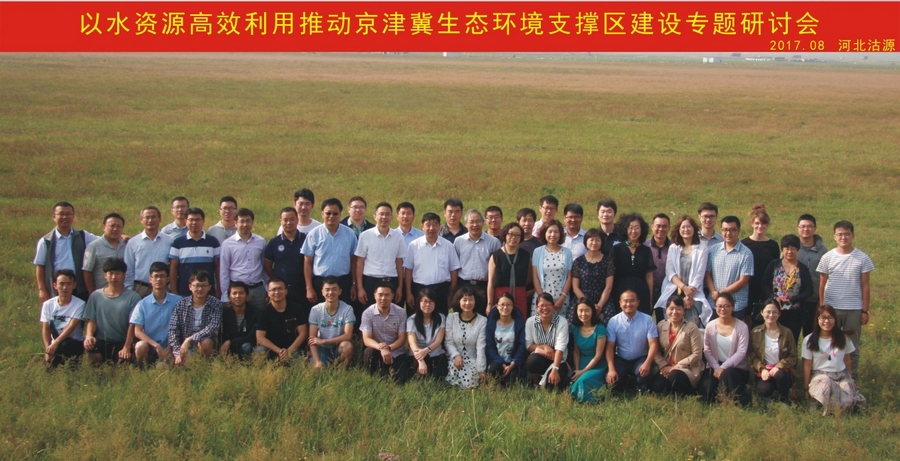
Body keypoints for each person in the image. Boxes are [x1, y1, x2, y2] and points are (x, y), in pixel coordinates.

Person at [816, 220, 874, 380]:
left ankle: (850, 379)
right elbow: (822, 284)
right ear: (834, 236)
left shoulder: (862, 258)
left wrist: (865, 310)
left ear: (852, 235)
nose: (843, 237)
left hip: (853, 309)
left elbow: (865, 285)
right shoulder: (827, 257)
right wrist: (822, 307)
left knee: (852, 346)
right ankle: (827, 375)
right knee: (828, 343)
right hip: (831, 308)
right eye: (840, 234)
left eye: (847, 234)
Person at [802, 304, 865, 416]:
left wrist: (851, 380)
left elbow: (847, 360)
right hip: (820, 375)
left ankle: (832, 407)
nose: (827, 321)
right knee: (825, 382)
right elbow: (807, 365)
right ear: (817, 320)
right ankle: (816, 402)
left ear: (835, 320)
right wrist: (806, 387)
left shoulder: (843, 338)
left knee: (847, 402)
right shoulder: (809, 340)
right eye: (823, 318)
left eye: (830, 318)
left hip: (841, 375)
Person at [82, 258, 143, 364]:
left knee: (123, 364)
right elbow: (92, 320)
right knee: (91, 354)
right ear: (105, 275)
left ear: (124, 275)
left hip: (122, 342)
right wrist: (89, 336)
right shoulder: (96, 296)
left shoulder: (133, 297)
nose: (114, 277)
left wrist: (127, 347)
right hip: (102, 341)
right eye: (111, 273)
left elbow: (132, 325)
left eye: (117, 273)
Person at [35, 201, 98, 301]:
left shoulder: (82, 236)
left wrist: (120, 237)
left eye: (68, 214)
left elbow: (103, 241)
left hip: (79, 288)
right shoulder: (46, 241)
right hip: (58, 288)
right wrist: (42, 289)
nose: (65, 217)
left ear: (73, 217)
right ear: (54, 217)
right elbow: (40, 266)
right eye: (61, 214)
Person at [302, 198, 358, 305]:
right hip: (320, 283)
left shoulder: (349, 233)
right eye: (328, 213)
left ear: (340, 214)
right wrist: (309, 288)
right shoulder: (314, 234)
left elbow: (354, 260)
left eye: (335, 213)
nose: (331, 216)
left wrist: (354, 284)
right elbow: (307, 262)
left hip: (343, 282)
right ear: (322, 214)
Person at [654, 216, 708, 327]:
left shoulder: (702, 248)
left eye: (689, 226)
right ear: (678, 230)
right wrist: (684, 288)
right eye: (683, 227)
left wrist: (689, 295)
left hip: (694, 292)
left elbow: (700, 274)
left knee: (692, 325)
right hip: (674, 290)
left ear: (694, 229)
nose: (686, 229)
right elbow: (670, 271)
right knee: (673, 323)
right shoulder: (673, 247)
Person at [699, 293, 751, 405]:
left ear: (733, 307)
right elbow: (707, 350)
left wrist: (723, 367)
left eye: (727, 306)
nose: (723, 309)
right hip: (715, 366)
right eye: (719, 306)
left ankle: (740, 401)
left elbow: (741, 352)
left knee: (728, 375)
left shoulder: (742, 327)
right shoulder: (710, 325)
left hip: (735, 368)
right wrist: (716, 367)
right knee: (707, 394)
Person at [404, 213, 460, 316]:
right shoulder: (414, 245)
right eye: (428, 225)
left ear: (439, 226)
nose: (431, 228)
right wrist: (408, 293)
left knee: (441, 319)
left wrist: (452, 293)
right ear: (422, 226)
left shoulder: (447, 245)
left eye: (435, 224)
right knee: (418, 319)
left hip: (441, 290)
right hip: (419, 289)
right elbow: (408, 270)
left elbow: (454, 270)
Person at [604, 290, 659, 393]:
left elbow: (653, 344)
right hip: (621, 358)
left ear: (638, 302)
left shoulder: (647, 319)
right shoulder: (613, 321)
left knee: (644, 378)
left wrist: (647, 363)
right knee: (612, 382)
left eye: (632, 301)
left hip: (641, 358)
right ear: (620, 303)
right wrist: (611, 369)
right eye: (625, 301)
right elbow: (610, 347)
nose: (628, 304)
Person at [761, 235, 814, 340]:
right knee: (773, 338)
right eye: (787, 248)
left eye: (793, 248)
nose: (790, 251)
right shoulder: (774, 265)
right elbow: (764, 284)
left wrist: (793, 299)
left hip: (794, 313)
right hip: (774, 310)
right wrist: (774, 297)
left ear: (798, 250)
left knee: (791, 340)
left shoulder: (802, 269)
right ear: (782, 249)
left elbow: (809, 290)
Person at [355, 202, 406, 308]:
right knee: (370, 312)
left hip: (392, 280)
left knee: (393, 313)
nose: (384, 217)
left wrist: (400, 287)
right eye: (381, 214)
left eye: (387, 214)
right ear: (375, 216)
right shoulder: (365, 235)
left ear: (392, 216)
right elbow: (359, 263)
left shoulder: (398, 236)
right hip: (371, 281)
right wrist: (360, 288)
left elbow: (399, 263)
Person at [650, 296, 704, 396]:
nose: (674, 312)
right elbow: (655, 350)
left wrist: (676, 366)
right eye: (671, 309)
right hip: (666, 366)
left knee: (675, 376)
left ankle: (688, 395)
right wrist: (664, 365)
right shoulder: (661, 325)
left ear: (684, 310)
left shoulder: (692, 328)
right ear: (666, 310)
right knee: (657, 386)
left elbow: (697, 354)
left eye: (678, 309)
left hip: (686, 368)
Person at [168, 270, 222, 366]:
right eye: (197, 285)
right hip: (184, 345)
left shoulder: (216, 304)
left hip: (202, 344)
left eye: (203, 285)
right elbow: (173, 329)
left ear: (209, 287)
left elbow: (213, 327)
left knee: (206, 342)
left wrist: (190, 339)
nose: (200, 289)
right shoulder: (181, 304)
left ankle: (205, 366)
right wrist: (177, 353)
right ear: (190, 287)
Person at [749, 299, 798, 405]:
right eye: (768, 312)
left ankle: (784, 399)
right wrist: (762, 369)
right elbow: (752, 355)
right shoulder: (755, 332)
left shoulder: (787, 332)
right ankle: (768, 397)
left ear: (779, 314)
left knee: (781, 376)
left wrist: (778, 367)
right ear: (762, 313)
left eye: (775, 312)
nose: (771, 315)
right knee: (764, 390)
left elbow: (793, 356)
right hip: (764, 371)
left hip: (782, 371)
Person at [705, 216, 754, 321]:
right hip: (714, 303)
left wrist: (721, 293)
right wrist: (714, 292)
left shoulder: (746, 253)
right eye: (725, 230)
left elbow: (743, 281)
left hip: (736, 304)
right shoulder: (714, 250)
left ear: (739, 231)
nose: (728, 233)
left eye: (732, 230)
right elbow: (707, 274)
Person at [131, 262, 179, 365]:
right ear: (150, 279)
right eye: (156, 276)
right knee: (140, 346)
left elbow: (184, 327)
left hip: (172, 347)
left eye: (162, 276)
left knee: (163, 368)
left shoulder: (178, 301)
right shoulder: (142, 304)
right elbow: (137, 331)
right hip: (151, 347)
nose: (159, 279)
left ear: (168, 279)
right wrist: (156, 345)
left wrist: (171, 346)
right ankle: (143, 370)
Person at [360, 282, 410, 382]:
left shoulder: (401, 312)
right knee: (368, 353)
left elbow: (402, 339)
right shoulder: (367, 313)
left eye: (387, 295)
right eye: (380, 295)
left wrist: (389, 348)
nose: (383, 298)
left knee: (400, 380)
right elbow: (366, 339)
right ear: (375, 295)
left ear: (392, 296)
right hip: (376, 350)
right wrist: (381, 348)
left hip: (396, 351)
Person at [454, 209, 501, 316]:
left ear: (483, 222)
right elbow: (454, 266)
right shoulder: (459, 241)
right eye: (471, 222)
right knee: (462, 317)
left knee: (482, 318)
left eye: (478, 221)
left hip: (484, 286)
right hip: (463, 284)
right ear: (466, 224)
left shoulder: (493, 242)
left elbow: (497, 268)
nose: (475, 225)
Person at [264, 207, 308, 320]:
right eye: (285, 220)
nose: (289, 223)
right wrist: (276, 279)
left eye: (292, 219)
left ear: (297, 220)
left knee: (303, 318)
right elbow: (267, 265)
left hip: (303, 289)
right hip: (282, 291)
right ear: (280, 221)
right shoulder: (274, 242)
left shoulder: (306, 239)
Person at [220, 208, 267, 311]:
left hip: (257, 289)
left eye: (248, 221)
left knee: (259, 317)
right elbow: (224, 271)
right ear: (235, 223)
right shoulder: (227, 244)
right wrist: (224, 294)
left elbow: (264, 266)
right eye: (242, 221)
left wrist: (267, 287)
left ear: (252, 222)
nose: (245, 224)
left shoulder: (261, 241)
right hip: (237, 291)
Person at [611, 213, 656, 317]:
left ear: (642, 230)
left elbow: (649, 276)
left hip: (641, 291)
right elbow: (611, 274)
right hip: (620, 290)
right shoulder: (616, 249)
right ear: (625, 229)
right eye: (630, 228)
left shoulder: (646, 250)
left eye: (637, 228)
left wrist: (650, 298)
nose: (633, 231)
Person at [169, 207, 220, 297]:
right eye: (191, 220)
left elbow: (218, 267)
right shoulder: (178, 243)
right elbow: (173, 268)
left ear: (203, 221)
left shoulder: (213, 242)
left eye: (197, 220)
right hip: (184, 292)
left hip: (208, 293)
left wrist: (219, 289)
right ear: (185, 221)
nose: (194, 223)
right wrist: (174, 291)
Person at [741, 205, 781, 320]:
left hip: (766, 287)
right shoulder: (744, 244)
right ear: (752, 224)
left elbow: (776, 269)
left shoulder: (773, 245)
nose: (760, 226)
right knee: (747, 317)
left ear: (767, 225)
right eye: (757, 223)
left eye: (763, 223)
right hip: (747, 286)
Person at [124, 206, 174, 297]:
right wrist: (129, 289)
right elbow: (129, 268)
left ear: (160, 219)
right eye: (147, 217)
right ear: (141, 220)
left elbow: (173, 266)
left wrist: (170, 287)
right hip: (140, 288)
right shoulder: (133, 242)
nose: (150, 220)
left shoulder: (169, 241)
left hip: (163, 287)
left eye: (153, 217)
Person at [39, 269, 86, 367]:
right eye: (61, 284)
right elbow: (46, 329)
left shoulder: (80, 304)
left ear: (74, 285)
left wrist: (55, 343)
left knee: (65, 345)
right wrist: (48, 348)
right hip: (55, 344)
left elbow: (71, 327)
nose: (65, 287)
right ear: (55, 285)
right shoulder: (48, 305)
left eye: (68, 284)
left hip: (74, 343)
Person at [525, 293, 571, 391]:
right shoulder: (530, 322)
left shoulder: (562, 322)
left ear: (553, 306)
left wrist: (555, 369)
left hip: (558, 359)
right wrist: (545, 347)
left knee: (552, 387)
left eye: (548, 305)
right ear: (537, 308)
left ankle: (546, 385)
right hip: (540, 357)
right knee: (532, 361)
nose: (545, 308)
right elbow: (528, 346)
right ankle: (536, 383)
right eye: (542, 305)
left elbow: (560, 348)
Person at [444, 286, 488, 389]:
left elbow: (481, 347)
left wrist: (481, 369)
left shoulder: (482, 321)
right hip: (454, 359)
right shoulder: (451, 317)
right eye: (464, 300)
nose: (468, 303)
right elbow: (448, 341)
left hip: (473, 360)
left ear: (476, 301)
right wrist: (456, 355)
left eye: (471, 299)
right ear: (458, 301)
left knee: (471, 381)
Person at [256, 278, 308, 363]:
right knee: (259, 351)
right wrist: (279, 351)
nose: (277, 292)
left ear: (286, 291)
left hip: (293, 349)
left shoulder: (296, 308)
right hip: (273, 349)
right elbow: (260, 338)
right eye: (273, 290)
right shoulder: (264, 312)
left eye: (280, 289)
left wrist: (289, 351)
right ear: (268, 293)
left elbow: (303, 333)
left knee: (299, 362)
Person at [308, 276, 355, 368]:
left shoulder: (347, 309)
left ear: (340, 291)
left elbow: (348, 335)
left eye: (334, 289)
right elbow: (312, 339)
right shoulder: (315, 310)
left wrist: (324, 341)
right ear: (322, 292)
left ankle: (341, 371)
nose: (330, 293)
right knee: (316, 369)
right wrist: (317, 361)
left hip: (338, 346)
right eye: (327, 290)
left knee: (347, 346)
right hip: (322, 349)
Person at [487, 222, 531, 319]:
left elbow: (529, 276)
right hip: (500, 295)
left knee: (520, 321)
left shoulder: (525, 255)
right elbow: (490, 281)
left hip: (519, 294)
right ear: (505, 235)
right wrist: (489, 303)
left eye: (517, 235)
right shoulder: (496, 255)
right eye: (511, 234)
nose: (513, 237)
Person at [531, 219, 573, 319]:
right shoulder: (537, 251)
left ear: (560, 234)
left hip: (561, 296)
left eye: (556, 232)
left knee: (560, 325)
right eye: (550, 231)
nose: (553, 235)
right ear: (545, 233)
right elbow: (535, 276)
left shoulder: (567, 252)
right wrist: (542, 299)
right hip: (542, 295)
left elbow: (569, 277)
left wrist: (562, 298)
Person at [572, 228, 615, 324]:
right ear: (586, 241)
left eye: (598, 240)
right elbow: (575, 287)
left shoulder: (608, 261)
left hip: (602, 299)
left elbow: (608, 287)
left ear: (602, 242)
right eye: (591, 240)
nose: (594, 243)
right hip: (582, 298)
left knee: (610, 322)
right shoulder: (578, 262)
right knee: (572, 323)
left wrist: (599, 305)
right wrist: (587, 304)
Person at [569, 299, 608, 404]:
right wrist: (577, 369)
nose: (583, 314)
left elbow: (598, 355)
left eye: (587, 310)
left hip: (597, 364)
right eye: (580, 311)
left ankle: (591, 401)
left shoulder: (600, 329)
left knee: (583, 380)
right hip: (581, 362)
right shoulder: (575, 328)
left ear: (592, 312)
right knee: (573, 378)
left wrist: (582, 372)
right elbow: (576, 351)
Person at [797, 214, 828, 338]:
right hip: (794, 299)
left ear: (815, 228)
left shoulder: (823, 251)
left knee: (812, 336)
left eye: (809, 226)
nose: (806, 229)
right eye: (803, 226)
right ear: (798, 228)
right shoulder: (791, 247)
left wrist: (821, 300)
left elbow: (826, 277)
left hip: (814, 299)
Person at [485, 293, 526, 386]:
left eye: (508, 304)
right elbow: (489, 347)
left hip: (513, 363)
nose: (505, 307)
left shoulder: (519, 324)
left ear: (513, 306)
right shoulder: (491, 324)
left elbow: (522, 345)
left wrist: (512, 364)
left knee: (511, 384)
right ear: (497, 306)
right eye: (502, 305)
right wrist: (501, 363)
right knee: (494, 370)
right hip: (497, 362)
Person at [406, 288, 447, 379]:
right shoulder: (411, 320)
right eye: (425, 301)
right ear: (419, 302)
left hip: (435, 353)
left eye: (431, 302)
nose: (428, 305)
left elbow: (438, 341)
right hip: (416, 354)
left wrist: (426, 350)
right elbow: (412, 343)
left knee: (440, 375)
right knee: (417, 376)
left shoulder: (441, 318)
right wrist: (420, 360)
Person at [82, 212, 126, 293]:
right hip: (101, 293)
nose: (115, 229)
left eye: (118, 226)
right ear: (104, 227)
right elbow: (87, 271)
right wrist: (91, 293)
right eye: (112, 226)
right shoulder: (93, 246)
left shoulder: (126, 245)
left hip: (123, 292)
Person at [219, 281, 260, 358]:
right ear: (229, 297)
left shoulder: (256, 313)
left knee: (247, 346)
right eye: (234, 293)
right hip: (229, 348)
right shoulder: (224, 313)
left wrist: (230, 342)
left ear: (247, 296)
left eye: (241, 293)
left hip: (248, 346)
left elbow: (252, 336)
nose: (237, 296)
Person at [644, 213, 672, 314]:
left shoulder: (674, 247)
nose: (661, 229)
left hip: (667, 291)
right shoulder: (644, 246)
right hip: (648, 290)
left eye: (664, 226)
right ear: (652, 227)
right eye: (658, 226)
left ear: (669, 228)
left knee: (664, 320)